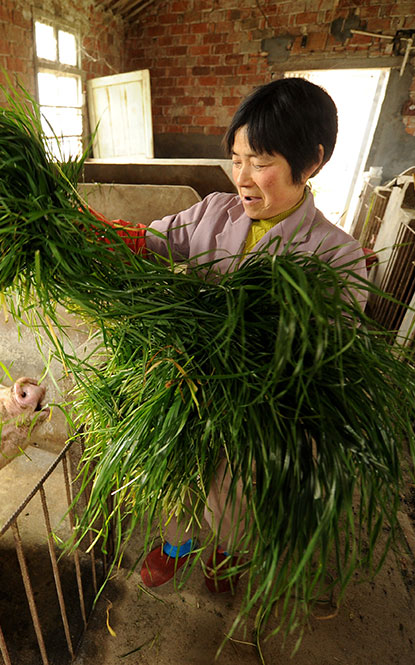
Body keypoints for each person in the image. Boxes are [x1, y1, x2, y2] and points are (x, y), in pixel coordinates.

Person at [100, 77, 368, 592]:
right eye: (236, 157)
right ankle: (177, 541)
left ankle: (227, 551)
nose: (242, 177)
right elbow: (151, 240)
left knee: (234, 490)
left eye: (261, 162)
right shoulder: (213, 212)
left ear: (311, 163)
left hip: (262, 409)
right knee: (178, 470)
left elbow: (326, 353)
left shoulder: (339, 256)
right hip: (188, 390)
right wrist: (92, 233)